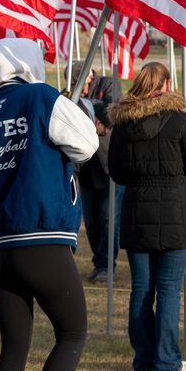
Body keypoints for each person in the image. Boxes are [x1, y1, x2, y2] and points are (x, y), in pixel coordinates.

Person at [0, 38, 98, 371]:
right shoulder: (40, 97)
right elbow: (87, 143)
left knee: (14, 347)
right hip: (41, 239)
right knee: (72, 333)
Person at [107, 62, 186, 371]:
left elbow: (117, 172)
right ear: (166, 84)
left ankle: (144, 359)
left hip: (138, 209)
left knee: (141, 288)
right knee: (167, 288)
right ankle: (166, 362)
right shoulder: (180, 121)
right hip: (175, 211)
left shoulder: (123, 125)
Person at [68, 60, 125, 283]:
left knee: (109, 220)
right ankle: (98, 261)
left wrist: (93, 113)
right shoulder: (69, 94)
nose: (76, 90)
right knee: (91, 223)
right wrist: (93, 119)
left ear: (88, 77)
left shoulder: (108, 84)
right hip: (85, 169)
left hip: (110, 166)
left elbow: (112, 113)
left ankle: (106, 265)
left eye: (77, 84)